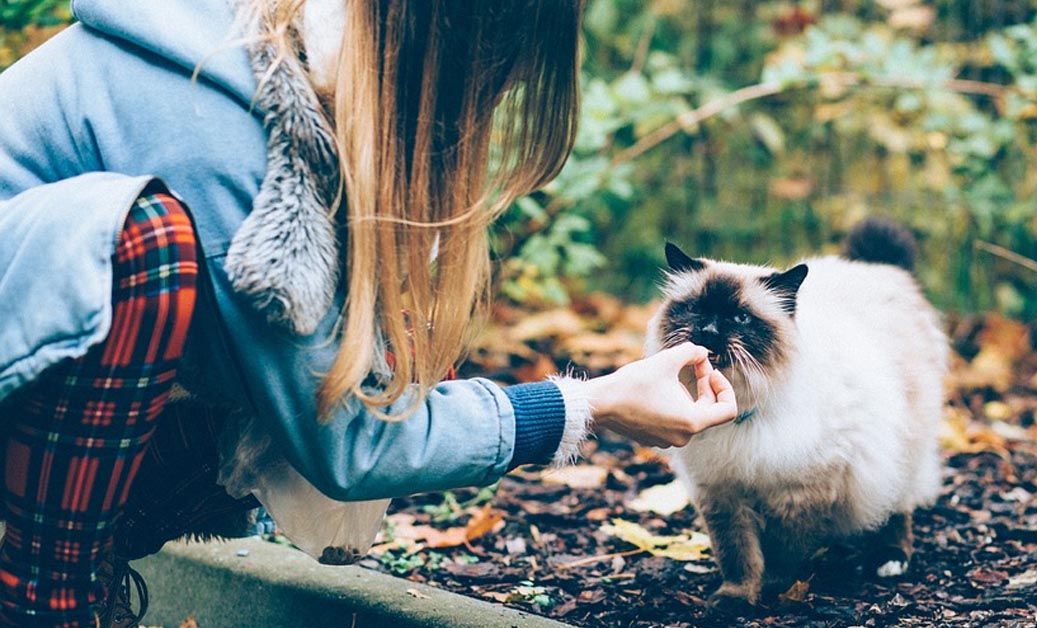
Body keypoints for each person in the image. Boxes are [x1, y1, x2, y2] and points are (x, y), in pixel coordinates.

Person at [0, 1, 740, 626]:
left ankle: (72, 562)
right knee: (147, 248)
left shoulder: (289, 72)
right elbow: (352, 444)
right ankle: (47, 603)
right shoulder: (220, 110)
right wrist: (593, 403)